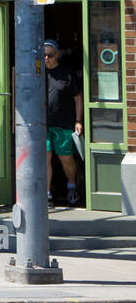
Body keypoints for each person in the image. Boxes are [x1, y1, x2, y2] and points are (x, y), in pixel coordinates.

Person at [44, 39, 84, 208]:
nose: (46, 58)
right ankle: (47, 193)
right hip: (43, 125)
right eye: (44, 55)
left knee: (65, 158)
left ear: (57, 55)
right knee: (45, 159)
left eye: (50, 55)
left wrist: (78, 120)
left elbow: (78, 98)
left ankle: (71, 187)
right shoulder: (37, 74)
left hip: (64, 123)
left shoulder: (67, 73)